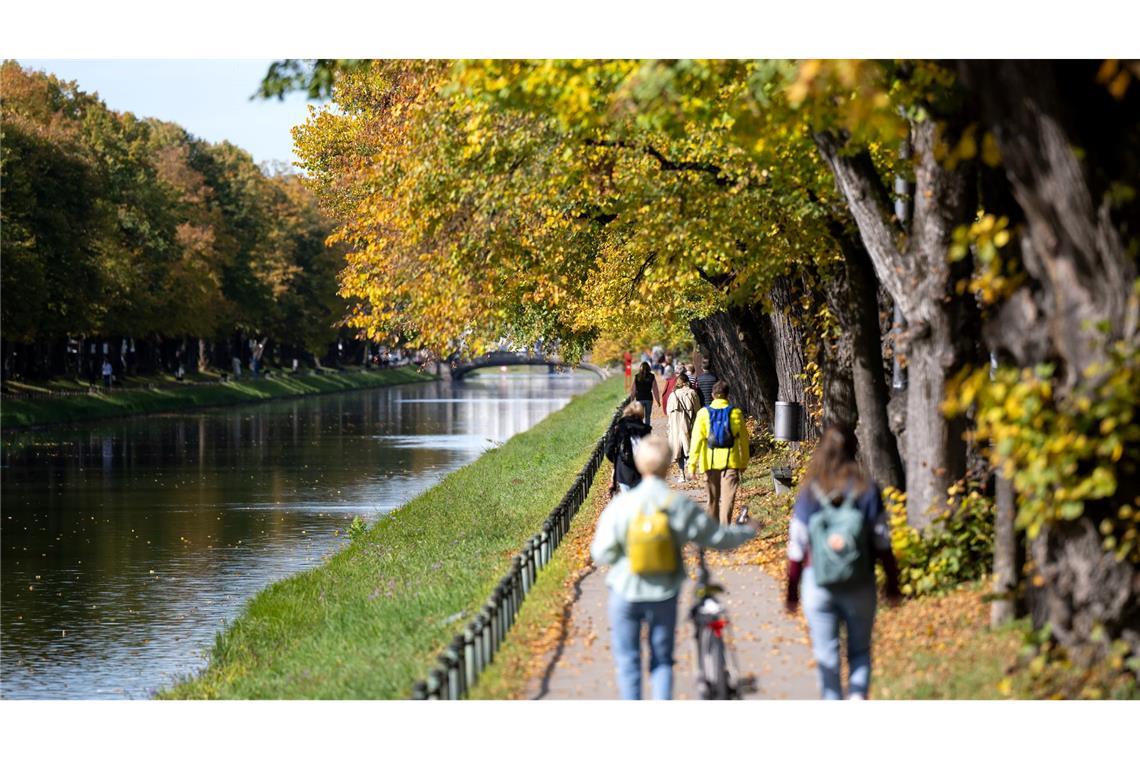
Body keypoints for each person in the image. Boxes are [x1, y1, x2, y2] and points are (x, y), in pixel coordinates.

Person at [591, 437, 757, 700]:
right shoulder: (677, 504)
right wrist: (746, 532)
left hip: (625, 590)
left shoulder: (622, 505)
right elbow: (717, 539)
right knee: (662, 660)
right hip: (663, 593)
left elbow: (600, 553)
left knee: (628, 662)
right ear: (668, 465)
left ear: (638, 463)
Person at [784, 424, 902, 700]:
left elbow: (797, 548)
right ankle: (857, 698)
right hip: (860, 581)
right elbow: (883, 543)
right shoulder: (867, 490)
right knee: (860, 651)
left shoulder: (811, 492)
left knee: (827, 656)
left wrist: (791, 592)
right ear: (854, 450)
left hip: (818, 582)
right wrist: (892, 584)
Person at [688, 381, 748, 524]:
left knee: (712, 500)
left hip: (709, 463)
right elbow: (744, 441)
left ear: (712, 395)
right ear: (727, 395)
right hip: (731, 462)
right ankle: (724, 530)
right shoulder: (736, 413)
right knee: (728, 500)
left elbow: (696, 441)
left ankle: (713, 532)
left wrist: (692, 466)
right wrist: (743, 462)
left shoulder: (703, 413)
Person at [606, 401, 653, 494]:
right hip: (641, 469)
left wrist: (618, 460)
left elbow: (608, 450)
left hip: (624, 470)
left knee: (627, 499)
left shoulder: (619, 427)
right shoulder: (645, 429)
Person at [666, 373, 700, 482]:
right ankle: (691, 471)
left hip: (675, 427)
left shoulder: (672, 395)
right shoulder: (691, 393)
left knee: (678, 450)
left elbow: (668, 412)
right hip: (689, 424)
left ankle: (682, 474)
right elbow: (698, 410)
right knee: (689, 448)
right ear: (687, 381)